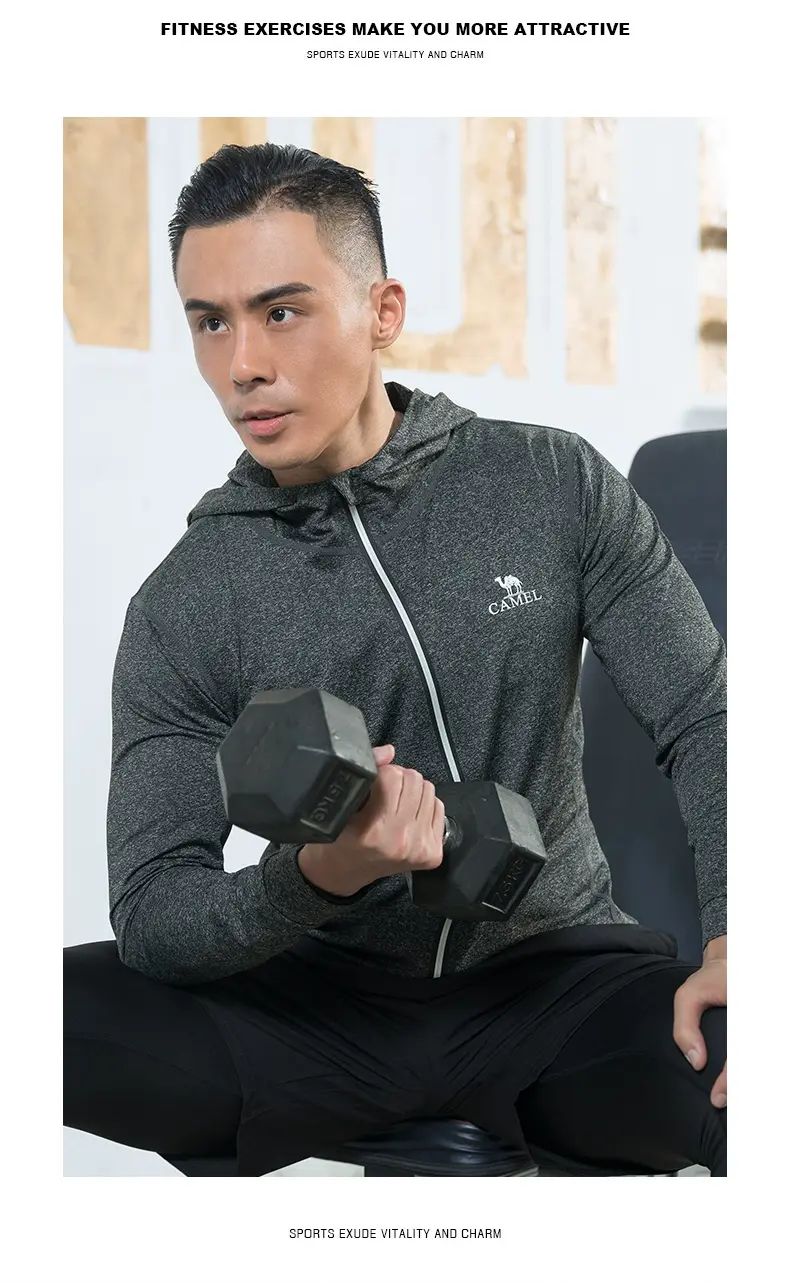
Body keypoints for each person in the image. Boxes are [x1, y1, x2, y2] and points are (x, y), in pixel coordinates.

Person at [64, 143, 727, 1177]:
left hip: (561, 989)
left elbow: (706, 717)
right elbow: (155, 912)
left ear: (382, 311)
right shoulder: (186, 602)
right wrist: (316, 876)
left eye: (281, 311)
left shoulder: (549, 484)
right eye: (210, 321)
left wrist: (741, 934)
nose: (242, 364)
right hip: (313, 1010)